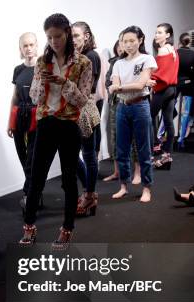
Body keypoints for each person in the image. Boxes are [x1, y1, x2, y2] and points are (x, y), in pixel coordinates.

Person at [19, 13, 92, 249]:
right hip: (46, 123)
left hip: (69, 124)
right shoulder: (42, 61)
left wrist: (63, 83)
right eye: (49, 37)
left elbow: (82, 100)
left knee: (68, 179)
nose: (54, 41)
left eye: (58, 36)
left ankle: (67, 228)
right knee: (36, 178)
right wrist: (42, 83)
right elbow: (34, 97)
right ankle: (29, 226)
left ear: (68, 32)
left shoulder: (83, 63)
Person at [108, 25, 157, 203]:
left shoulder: (147, 59)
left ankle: (146, 188)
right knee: (121, 149)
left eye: (131, 41)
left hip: (140, 106)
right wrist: (118, 86)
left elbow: (140, 84)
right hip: (122, 107)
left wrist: (119, 87)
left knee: (143, 149)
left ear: (140, 40)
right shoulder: (118, 63)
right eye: (124, 41)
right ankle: (123, 186)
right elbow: (115, 83)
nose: (128, 45)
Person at [72, 21, 101, 217]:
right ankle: (88, 191)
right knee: (72, 156)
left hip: (85, 110)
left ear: (86, 36)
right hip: (72, 110)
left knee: (89, 155)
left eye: (76, 35)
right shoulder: (75, 56)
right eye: (71, 36)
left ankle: (89, 195)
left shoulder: (91, 56)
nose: (72, 39)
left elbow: (86, 88)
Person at [8, 32, 38, 213]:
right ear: (21, 48)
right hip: (20, 115)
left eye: (31, 45)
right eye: (25, 45)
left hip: (37, 116)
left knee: (32, 159)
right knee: (22, 155)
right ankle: (33, 191)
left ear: (36, 46)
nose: (28, 48)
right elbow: (14, 97)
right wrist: (9, 122)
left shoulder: (43, 67)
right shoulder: (18, 70)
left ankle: (30, 193)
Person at [150, 23, 179, 170]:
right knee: (168, 121)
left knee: (148, 117)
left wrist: (147, 76)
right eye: (156, 32)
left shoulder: (162, 50)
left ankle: (152, 150)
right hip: (172, 89)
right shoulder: (173, 50)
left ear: (168, 35)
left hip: (162, 89)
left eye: (160, 32)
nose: (156, 35)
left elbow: (158, 73)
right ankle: (167, 156)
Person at [176, 32, 194, 145]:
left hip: (175, 84)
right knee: (186, 112)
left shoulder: (175, 53)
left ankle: (163, 137)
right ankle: (181, 138)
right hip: (188, 84)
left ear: (180, 42)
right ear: (190, 42)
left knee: (169, 110)